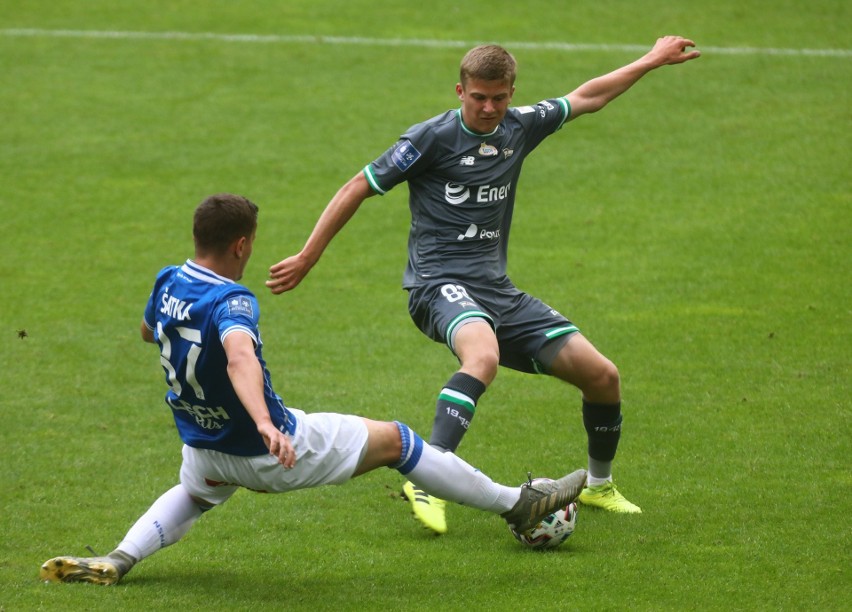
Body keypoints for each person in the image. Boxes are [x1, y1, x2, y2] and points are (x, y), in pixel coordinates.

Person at [266, 36, 700, 533]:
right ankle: (428, 474)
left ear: (512, 92)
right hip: (437, 285)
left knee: (602, 376)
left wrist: (650, 59)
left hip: (497, 290)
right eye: (479, 97)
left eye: (499, 97)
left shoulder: (521, 127)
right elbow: (358, 186)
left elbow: (588, 97)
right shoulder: (429, 139)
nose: (490, 108)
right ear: (460, 90)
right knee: (483, 357)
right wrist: (308, 255)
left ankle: (599, 484)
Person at [39, 194, 586, 586]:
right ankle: (518, 505)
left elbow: (147, 331)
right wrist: (263, 423)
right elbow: (239, 358)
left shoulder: (167, 281)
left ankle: (120, 557)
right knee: (398, 442)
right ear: (242, 244)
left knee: (197, 490)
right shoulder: (232, 301)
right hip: (271, 444)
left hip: (204, 445)